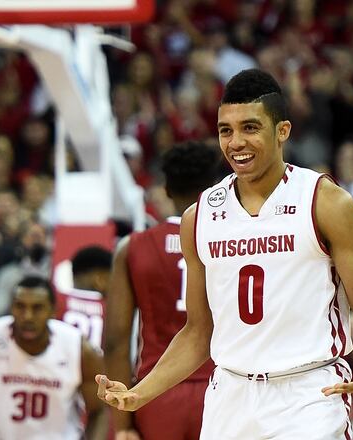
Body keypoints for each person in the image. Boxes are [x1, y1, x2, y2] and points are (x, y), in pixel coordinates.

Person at [96, 68, 353, 439]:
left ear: (282, 130)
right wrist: (140, 393)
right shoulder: (199, 216)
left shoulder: (324, 202)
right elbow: (197, 331)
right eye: (226, 130)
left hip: (309, 392)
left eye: (250, 128)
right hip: (230, 394)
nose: (236, 141)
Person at [105, 141, 220, 440]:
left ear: (166, 189)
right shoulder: (231, 243)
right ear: (217, 187)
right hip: (222, 386)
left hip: (156, 391)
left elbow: (117, 341)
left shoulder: (132, 248)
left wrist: (123, 424)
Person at [0, 276, 107, 440]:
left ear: (53, 311)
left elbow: (98, 410)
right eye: (20, 306)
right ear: (11, 308)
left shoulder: (79, 349)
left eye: (37, 308)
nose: (28, 316)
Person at [55, 246, 112, 350]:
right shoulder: (113, 309)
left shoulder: (52, 303)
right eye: (112, 278)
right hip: (99, 366)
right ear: (99, 279)